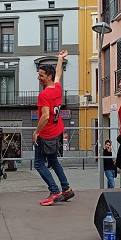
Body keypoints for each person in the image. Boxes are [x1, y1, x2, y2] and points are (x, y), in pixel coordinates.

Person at [34, 50, 74, 206]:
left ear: (48, 77)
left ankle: (54, 191)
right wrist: (60, 58)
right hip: (57, 131)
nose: (38, 78)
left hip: (46, 134)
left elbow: (45, 116)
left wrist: (36, 132)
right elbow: (58, 73)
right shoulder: (57, 87)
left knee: (38, 164)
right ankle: (66, 189)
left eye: (41, 75)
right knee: (54, 161)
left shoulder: (44, 95)